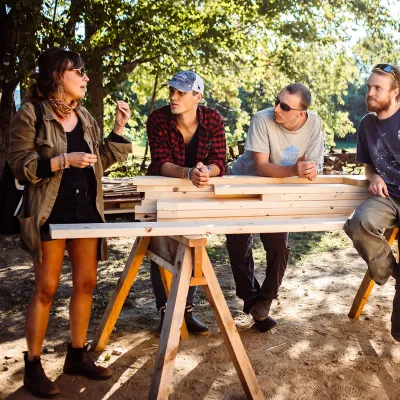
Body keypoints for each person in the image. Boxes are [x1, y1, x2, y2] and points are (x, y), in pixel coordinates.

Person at [7, 47, 132, 398]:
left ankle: (77, 356)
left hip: (87, 214)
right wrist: (64, 159)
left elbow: (97, 162)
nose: (85, 77)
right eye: (78, 71)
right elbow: (20, 165)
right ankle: (32, 366)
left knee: (87, 284)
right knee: (46, 290)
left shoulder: (85, 115)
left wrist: (118, 130)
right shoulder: (30, 114)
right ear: (58, 76)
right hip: (49, 213)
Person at [227, 83, 324, 332]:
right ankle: (250, 299)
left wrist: (310, 170)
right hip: (243, 184)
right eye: (276, 101)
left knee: (279, 245)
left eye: (284, 106)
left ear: (301, 114)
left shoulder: (314, 125)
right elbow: (262, 167)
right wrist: (294, 170)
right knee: (239, 244)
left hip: (278, 190)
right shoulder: (262, 119)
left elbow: (314, 166)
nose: (276, 109)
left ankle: (265, 300)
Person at [146, 70, 226, 335]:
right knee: (161, 248)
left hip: (195, 189)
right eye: (172, 91)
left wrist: (206, 171)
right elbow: (160, 163)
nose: (173, 96)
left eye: (181, 92)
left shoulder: (213, 119)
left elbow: (220, 162)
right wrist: (187, 173)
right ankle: (166, 312)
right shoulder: (158, 118)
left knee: (192, 246)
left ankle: (186, 311)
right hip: (162, 186)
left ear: (197, 97)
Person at [344, 64, 400, 341]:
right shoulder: (367, 124)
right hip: (387, 197)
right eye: (369, 87)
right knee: (358, 223)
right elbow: (368, 167)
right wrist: (374, 176)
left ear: (395, 91)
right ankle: (394, 273)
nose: (371, 92)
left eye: (378, 88)